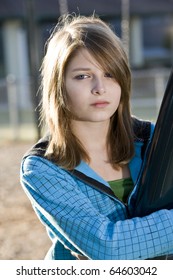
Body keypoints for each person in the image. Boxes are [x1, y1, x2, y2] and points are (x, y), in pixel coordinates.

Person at [20, 14, 173, 260]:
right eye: (83, 76)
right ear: (58, 87)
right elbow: (107, 247)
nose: (100, 87)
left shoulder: (154, 140)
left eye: (110, 74)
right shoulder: (41, 168)